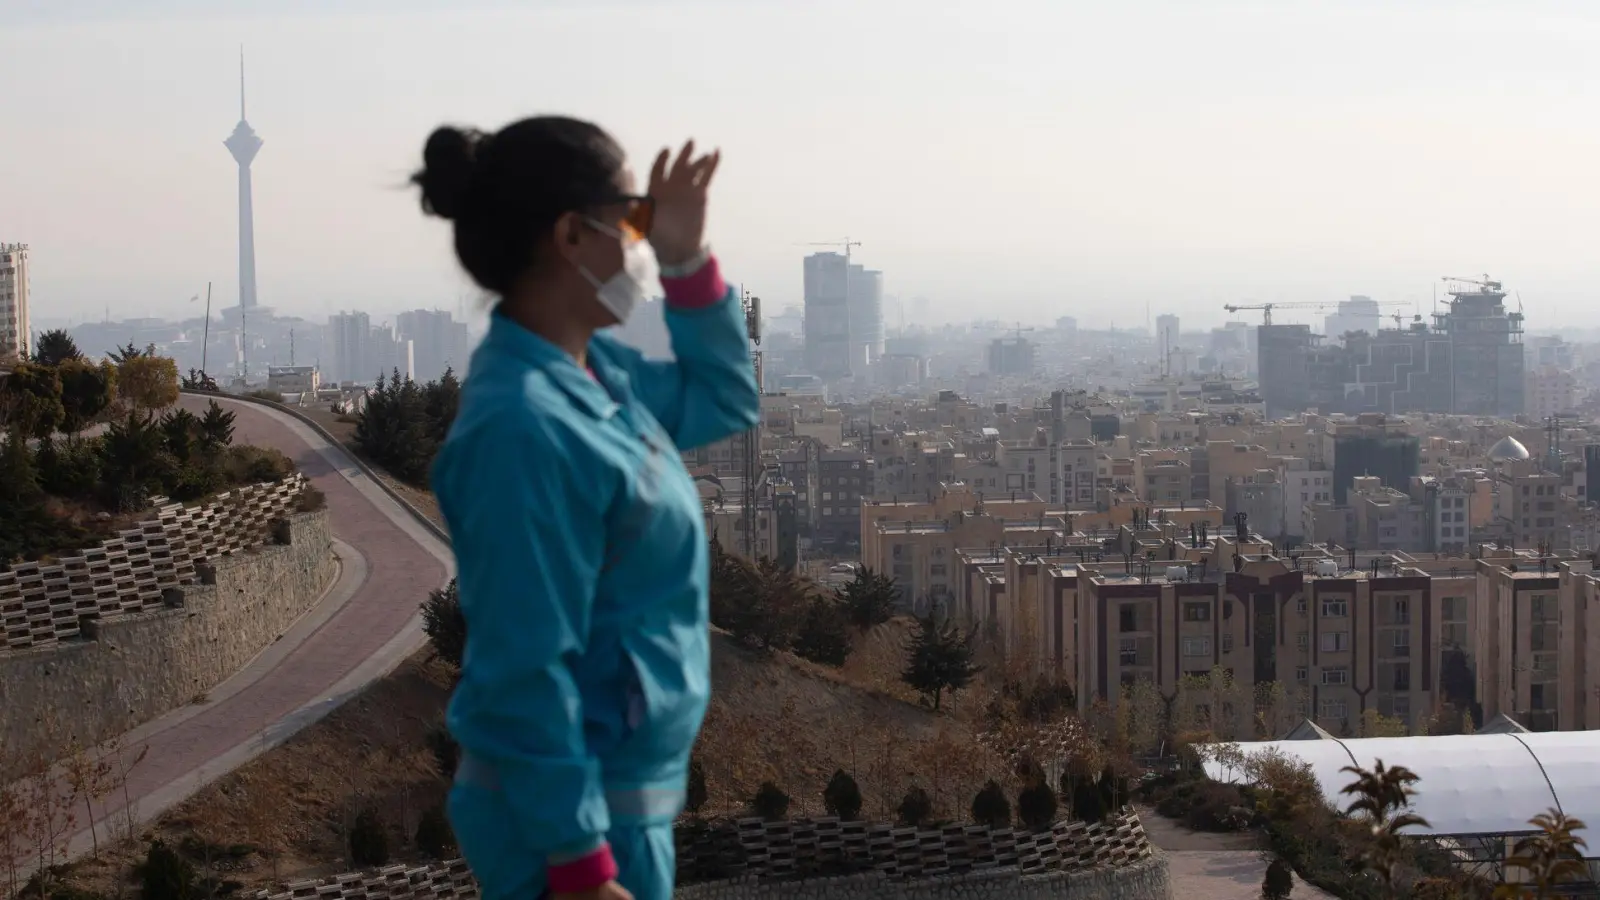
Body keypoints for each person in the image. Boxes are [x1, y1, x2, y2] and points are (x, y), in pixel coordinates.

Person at [412, 116, 759, 900]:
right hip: (570, 831)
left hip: (619, 811)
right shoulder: (522, 426)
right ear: (572, 235)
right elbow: (522, 665)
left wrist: (685, 259)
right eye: (631, 222)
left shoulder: (598, 376)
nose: (637, 244)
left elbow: (725, 398)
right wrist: (579, 866)